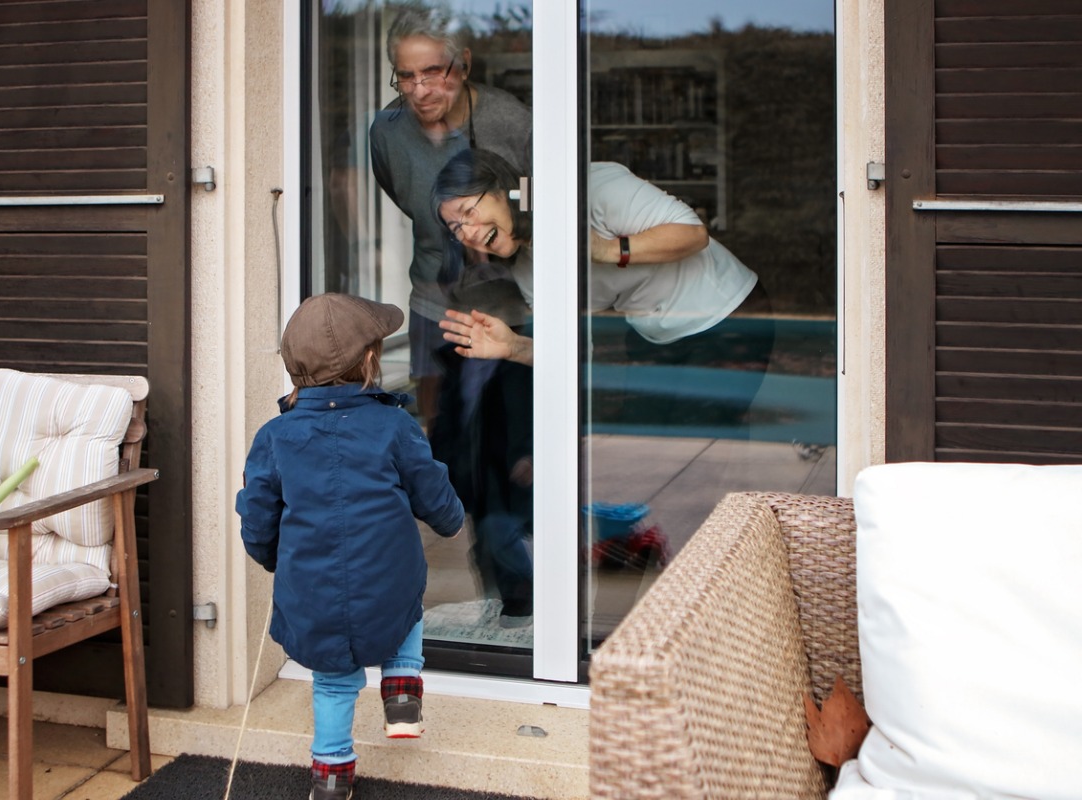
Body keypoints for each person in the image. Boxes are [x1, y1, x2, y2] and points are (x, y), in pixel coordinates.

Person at [236, 293, 465, 800]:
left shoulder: (275, 436)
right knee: (409, 601)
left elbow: (258, 515)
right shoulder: (394, 426)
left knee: (334, 683)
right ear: (370, 361)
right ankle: (402, 692)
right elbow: (432, 492)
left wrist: (273, 558)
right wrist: (451, 520)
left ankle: (332, 776)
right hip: (390, 581)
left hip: (311, 589)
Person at [434, 149, 775, 428]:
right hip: (651, 333)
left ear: (503, 188)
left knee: (695, 440)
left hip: (726, 313)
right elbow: (575, 354)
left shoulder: (593, 186)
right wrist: (514, 347)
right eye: (456, 228)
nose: (469, 233)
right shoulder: (528, 271)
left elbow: (693, 233)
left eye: (469, 212)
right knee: (639, 439)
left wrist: (606, 249)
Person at [369, 6, 532, 427]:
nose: (420, 90)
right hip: (432, 303)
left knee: (511, 443)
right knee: (438, 434)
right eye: (406, 76)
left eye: (434, 71)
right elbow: (410, 202)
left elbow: (536, 217)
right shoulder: (386, 131)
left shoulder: (512, 122)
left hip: (510, 309)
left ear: (464, 64)